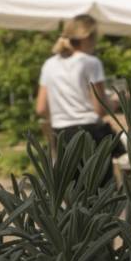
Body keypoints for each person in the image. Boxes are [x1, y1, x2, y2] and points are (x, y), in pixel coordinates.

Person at [34, 14, 123, 159]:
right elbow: (100, 109)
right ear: (87, 37)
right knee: (98, 181)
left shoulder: (50, 64)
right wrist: (118, 101)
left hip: (61, 134)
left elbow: (41, 108)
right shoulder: (91, 63)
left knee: (70, 181)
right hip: (90, 134)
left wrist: (64, 114)